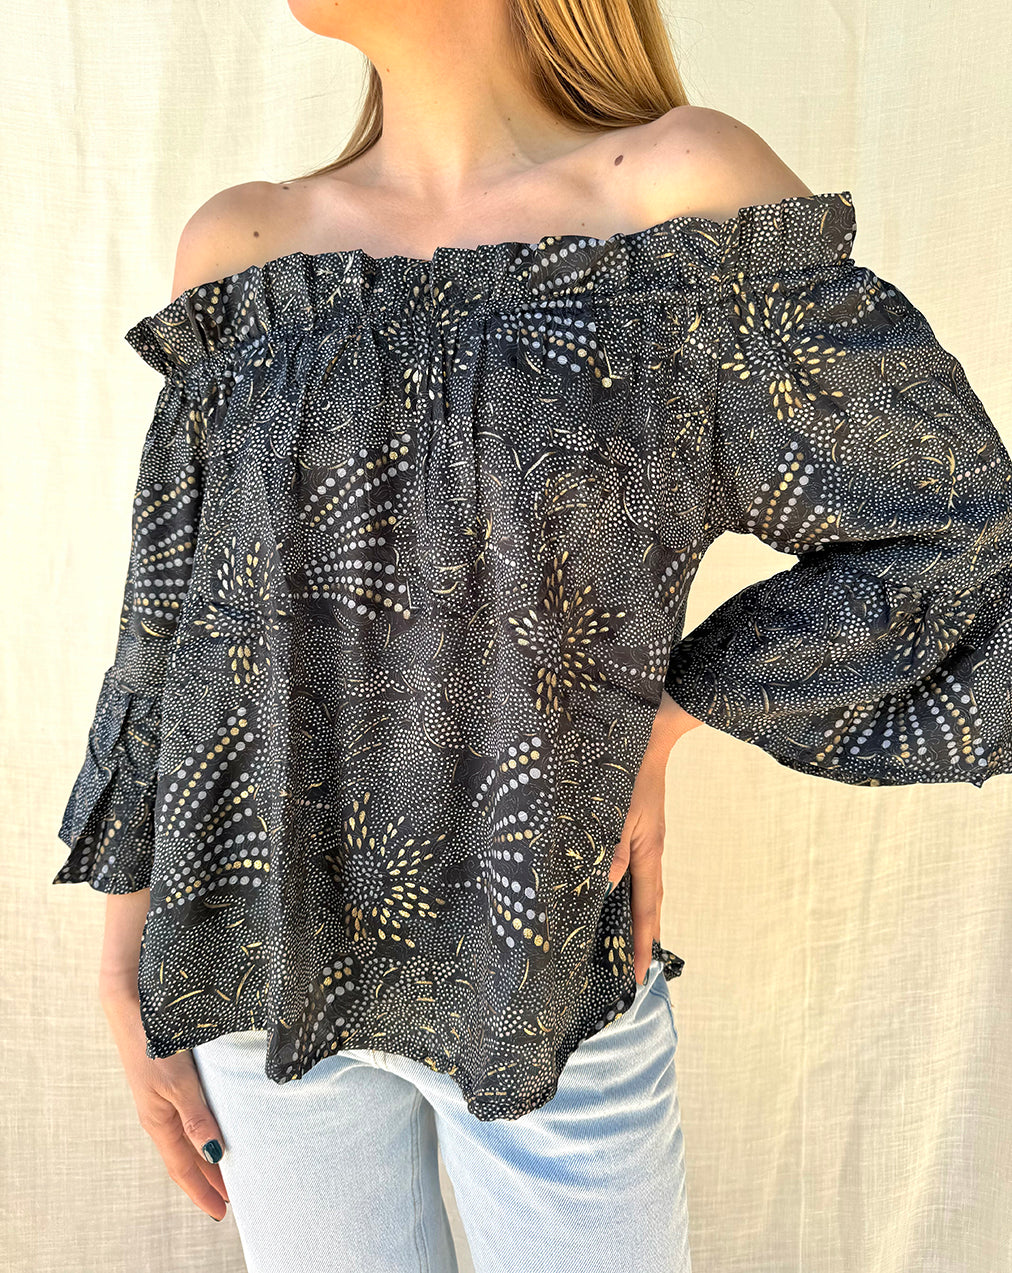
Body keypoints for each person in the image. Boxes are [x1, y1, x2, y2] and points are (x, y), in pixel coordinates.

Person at [53, 2, 1012, 1270]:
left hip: (541, 966)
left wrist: (669, 717)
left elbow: (953, 522)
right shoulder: (244, 246)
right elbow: (169, 630)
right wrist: (123, 957)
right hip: (255, 960)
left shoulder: (676, 199)